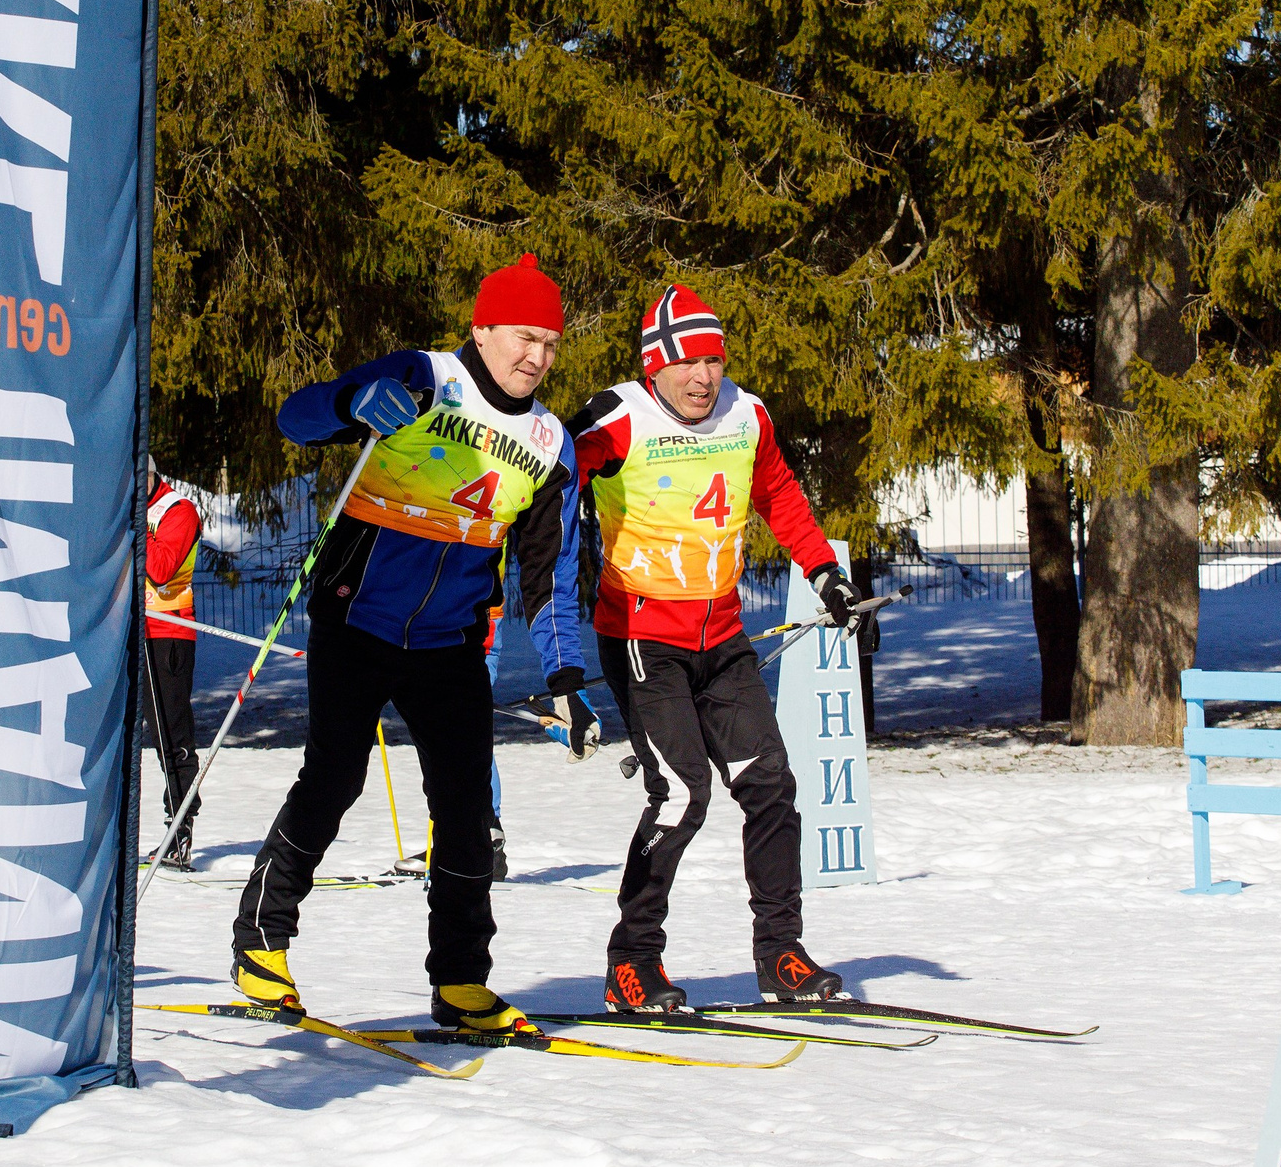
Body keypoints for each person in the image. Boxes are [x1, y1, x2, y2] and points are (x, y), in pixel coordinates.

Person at [231, 255, 600, 1032]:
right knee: (334, 780)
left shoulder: (548, 442)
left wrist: (566, 671)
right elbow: (295, 418)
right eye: (522, 337)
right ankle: (261, 941)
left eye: (550, 344)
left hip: (449, 642)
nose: (535, 356)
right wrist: (351, 403)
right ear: (482, 329)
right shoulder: (425, 378)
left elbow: (549, 573)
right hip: (355, 616)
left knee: (464, 809)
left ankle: (462, 981)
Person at [568, 284, 878, 1013]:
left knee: (771, 785)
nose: (702, 377)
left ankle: (781, 956)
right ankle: (631, 963)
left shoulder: (747, 414)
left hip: (723, 636)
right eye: (686, 364)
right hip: (643, 638)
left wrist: (826, 572)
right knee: (680, 795)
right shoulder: (617, 418)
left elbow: (777, 491)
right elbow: (549, 480)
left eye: (712, 359)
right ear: (655, 368)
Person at [144, 461, 205, 868]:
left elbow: (161, 569)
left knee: (171, 735)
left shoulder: (176, 510)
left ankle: (180, 827)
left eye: (139, 477)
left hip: (167, 634)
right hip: (127, 633)